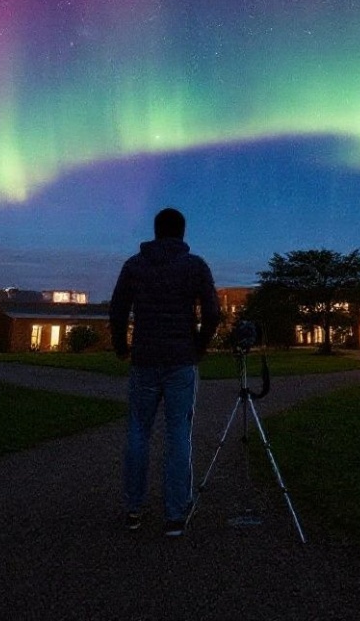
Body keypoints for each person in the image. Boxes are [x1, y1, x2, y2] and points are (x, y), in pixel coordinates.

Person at [109, 207, 221, 537]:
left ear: (156, 231)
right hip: (181, 360)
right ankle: (175, 513)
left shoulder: (134, 265)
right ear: (182, 233)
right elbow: (213, 312)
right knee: (178, 435)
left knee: (138, 432)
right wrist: (199, 345)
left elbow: (117, 311)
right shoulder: (195, 265)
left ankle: (133, 509)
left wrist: (120, 346)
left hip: (144, 359)